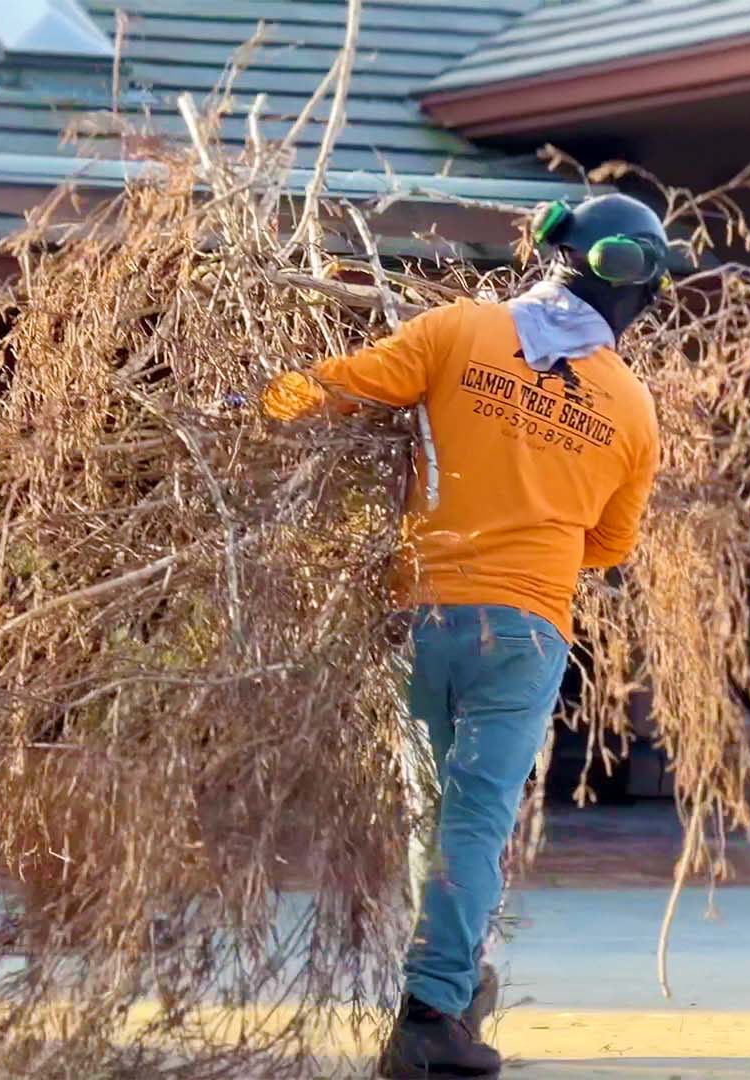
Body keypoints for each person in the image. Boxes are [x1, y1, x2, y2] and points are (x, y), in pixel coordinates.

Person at [264, 193, 669, 1078]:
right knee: (475, 825)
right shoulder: (632, 409)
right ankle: (431, 1017)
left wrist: (250, 404)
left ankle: (451, 981)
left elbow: (335, 386)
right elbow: (610, 546)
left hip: (422, 619)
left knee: (431, 817)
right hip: (524, 631)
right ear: (633, 284)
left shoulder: (460, 331)